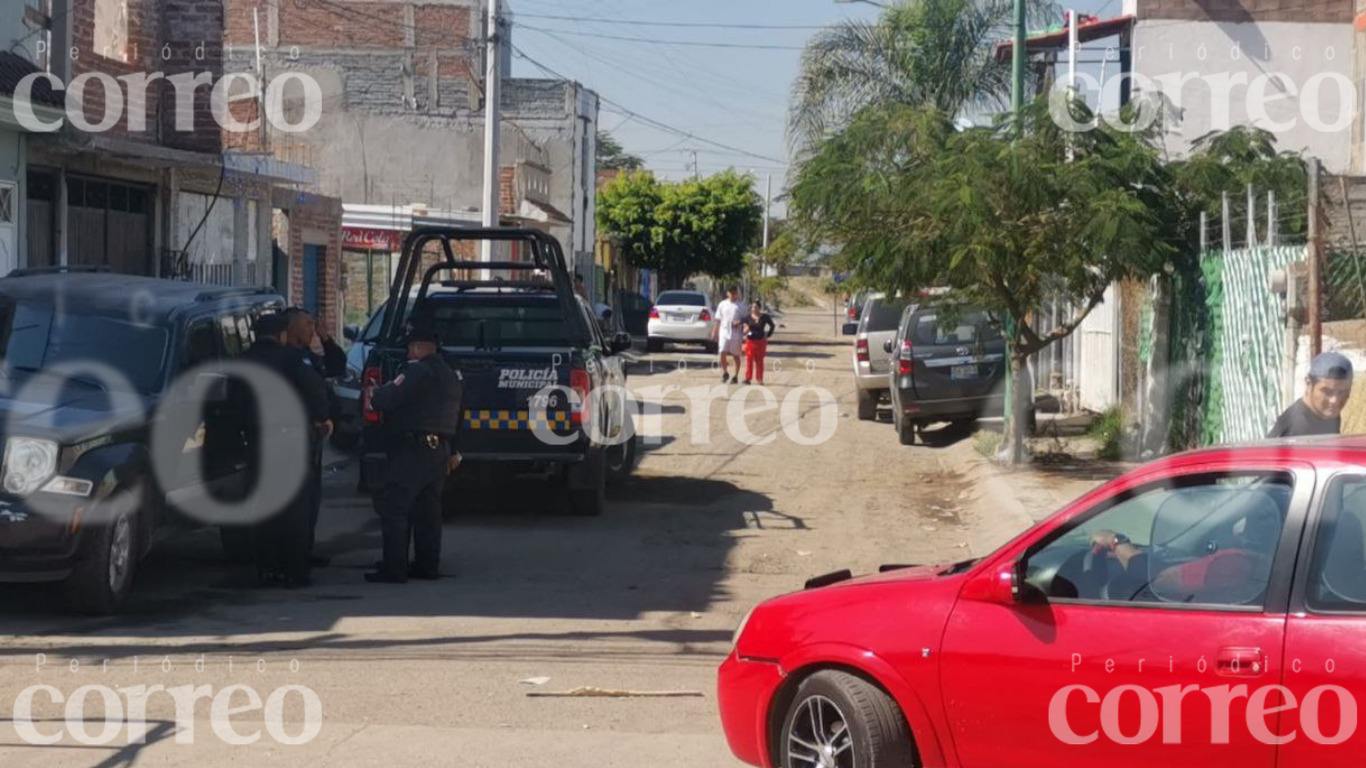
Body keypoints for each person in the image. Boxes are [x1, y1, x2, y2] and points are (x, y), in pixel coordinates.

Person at [234, 313, 332, 588]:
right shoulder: (291, 358)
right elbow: (314, 388)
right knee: (295, 507)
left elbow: (234, 401)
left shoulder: (242, 361)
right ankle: (295, 570)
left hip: (256, 441)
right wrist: (321, 418)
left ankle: (268, 568)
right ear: (282, 335)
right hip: (289, 438)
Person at [365, 326, 463, 584]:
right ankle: (427, 565)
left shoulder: (418, 370)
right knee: (428, 510)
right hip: (439, 448)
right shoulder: (450, 374)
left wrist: (376, 392)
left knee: (395, 506)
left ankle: (394, 568)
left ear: (419, 348)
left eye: (410, 349)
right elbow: (459, 414)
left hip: (414, 448)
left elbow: (387, 399)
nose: (408, 353)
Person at [283, 307, 344, 567]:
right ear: (292, 329)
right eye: (308, 325)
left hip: (313, 438)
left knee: (311, 500)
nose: (312, 329)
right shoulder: (288, 359)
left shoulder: (309, 357)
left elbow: (337, 366)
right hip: (293, 436)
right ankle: (292, 556)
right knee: (296, 501)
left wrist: (327, 339)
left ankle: (304, 551)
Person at [1268, 351, 1354, 438]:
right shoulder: (1297, 426)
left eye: (1342, 392)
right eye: (1327, 392)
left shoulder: (1328, 414)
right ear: (1308, 383)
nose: (1335, 400)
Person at [713, 287, 744, 384]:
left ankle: (735, 376)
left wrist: (740, 323)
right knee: (722, 352)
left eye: (734, 292)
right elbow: (718, 319)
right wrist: (715, 331)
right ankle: (725, 372)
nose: (733, 294)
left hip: (736, 333)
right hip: (724, 332)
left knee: (736, 355)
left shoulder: (741, 306)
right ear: (727, 293)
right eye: (731, 292)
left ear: (737, 293)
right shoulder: (722, 304)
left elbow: (746, 319)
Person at [740, 300, 776, 386]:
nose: (754, 308)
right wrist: (745, 333)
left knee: (759, 361)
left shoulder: (764, 317)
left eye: (756, 307)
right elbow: (742, 325)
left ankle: (760, 379)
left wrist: (768, 335)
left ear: (759, 308)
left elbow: (772, 325)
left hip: (760, 342)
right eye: (753, 307)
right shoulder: (748, 317)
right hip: (750, 342)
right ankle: (748, 378)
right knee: (749, 360)